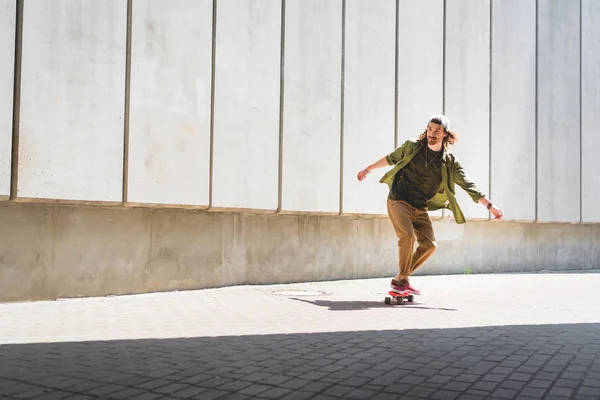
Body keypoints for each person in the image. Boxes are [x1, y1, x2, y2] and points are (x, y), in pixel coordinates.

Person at [356, 115, 503, 295]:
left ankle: (402, 278)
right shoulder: (412, 147)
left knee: (429, 245)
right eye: (429, 129)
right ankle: (402, 279)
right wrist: (367, 170)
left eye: (437, 130)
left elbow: (467, 183)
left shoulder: (449, 162)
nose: (432, 133)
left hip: (420, 206)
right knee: (408, 236)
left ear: (445, 135)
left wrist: (489, 205)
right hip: (398, 199)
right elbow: (390, 158)